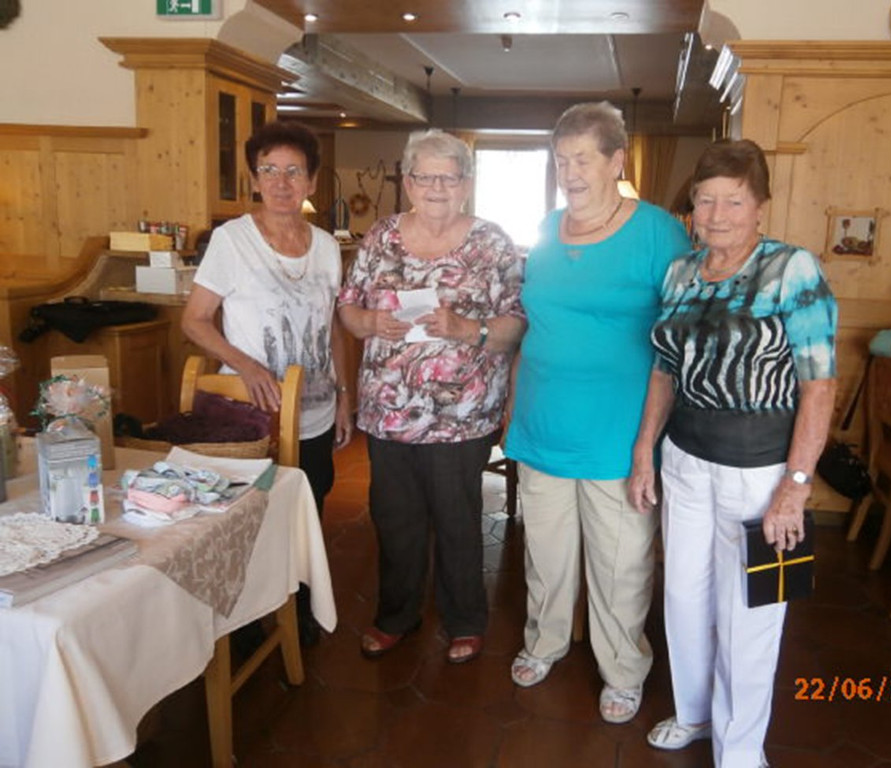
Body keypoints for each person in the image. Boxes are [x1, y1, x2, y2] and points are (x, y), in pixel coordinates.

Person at [629, 139, 837, 767]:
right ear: (691, 206)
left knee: (753, 611)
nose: (717, 215)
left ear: (760, 206)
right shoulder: (681, 272)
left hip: (762, 470)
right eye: (705, 200)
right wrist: (644, 452)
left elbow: (819, 385)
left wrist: (795, 487)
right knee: (683, 597)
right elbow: (664, 370)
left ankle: (741, 749)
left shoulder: (792, 269)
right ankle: (694, 714)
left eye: (734, 201)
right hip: (685, 459)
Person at [504, 101, 691, 724]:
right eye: (562, 160)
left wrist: (651, 442)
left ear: (617, 160)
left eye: (583, 159)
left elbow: (677, 341)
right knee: (546, 555)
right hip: (543, 422)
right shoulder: (547, 227)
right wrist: (513, 403)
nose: (571, 173)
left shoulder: (659, 233)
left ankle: (624, 668)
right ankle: (545, 642)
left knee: (621, 563)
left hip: (620, 432)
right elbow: (535, 324)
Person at [337, 129, 525, 664]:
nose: (437, 187)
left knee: (456, 517)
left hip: (460, 414)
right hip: (387, 410)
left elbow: (516, 324)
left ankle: (465, 619)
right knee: (394, 517)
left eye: (449, 177)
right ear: (408, 181)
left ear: (466, 183)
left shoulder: (492, 243)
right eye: (425, 176)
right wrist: (370, 322)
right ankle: (396, 616)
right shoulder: (380, 236)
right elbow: (348, 309)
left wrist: (468, 329)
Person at [182, 120, 352, 646]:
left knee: (308, 511)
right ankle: (246, 623)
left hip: (315, 411)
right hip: (254, 416)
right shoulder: (232, 241)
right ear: (254, 180)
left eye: (294, 171)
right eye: (269, 170)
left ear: (312, 182)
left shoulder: (326, 246)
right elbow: (195, 320)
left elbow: (333, 327)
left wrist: (345, 396)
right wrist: (248, 366)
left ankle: (297, 609)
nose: (281, 182)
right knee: (250, 518)